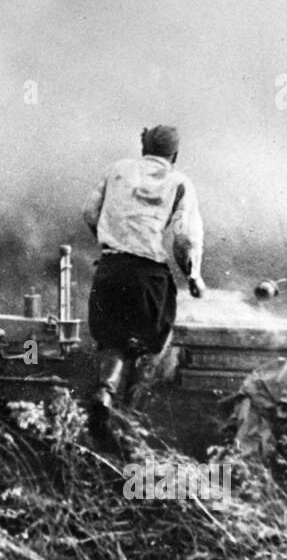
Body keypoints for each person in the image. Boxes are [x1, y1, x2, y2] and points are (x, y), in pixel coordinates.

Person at [82, 125, 204, 441]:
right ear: (174, 154)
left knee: (112, 341)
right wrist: (192, 277)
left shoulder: (117, 170)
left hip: (111, 268)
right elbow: (182, 242)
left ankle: (105, 393)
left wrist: (111, 241)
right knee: (151, 347)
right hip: (148, 275)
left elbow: (89, 213)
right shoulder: (180, 182)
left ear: (144, 147)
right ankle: (129, 420)